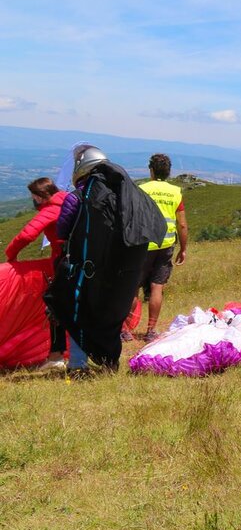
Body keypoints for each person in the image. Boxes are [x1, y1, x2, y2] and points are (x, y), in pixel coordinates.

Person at [46, 145, 166, 372]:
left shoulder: (78, 197)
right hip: (118, 271)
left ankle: (78, 364)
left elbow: (63, 230)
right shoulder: (124, 195)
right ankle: (109, 362)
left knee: (77, 312)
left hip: (85, 267)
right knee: (109, 314)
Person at [5, 177, 69, 370]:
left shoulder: (51, 209)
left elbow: (27, 235)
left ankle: (57, 355)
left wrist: (11, 255)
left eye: (33, 196)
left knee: (55, 307)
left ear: (41, 196)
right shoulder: (70, 201)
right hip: (82, 259)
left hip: (62, 260)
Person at [136, 154, 188, 342]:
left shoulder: (141, 189)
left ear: (151, 170)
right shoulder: (175, 192)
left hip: (143, 244)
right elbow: (182, 225)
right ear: (168, 172)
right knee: (157, 287)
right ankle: (151, 330)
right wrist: (183, 248)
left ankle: (125, 330)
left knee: (133, 287)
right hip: (165, 244)